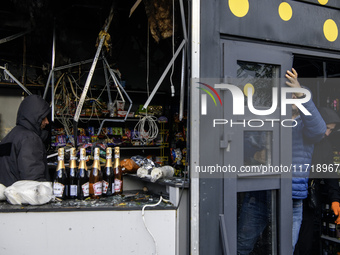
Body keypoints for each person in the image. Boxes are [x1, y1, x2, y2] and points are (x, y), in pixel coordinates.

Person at [237, 68, 326, 255]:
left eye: (298, 94)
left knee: (285, 249)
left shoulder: (306, 126)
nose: (294, 96)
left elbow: (319, 130)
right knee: (241, 246)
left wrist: (301, 92)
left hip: (291, 199)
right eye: (290, 93)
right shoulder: (271, 118)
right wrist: (254, 155)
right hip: (259, 194)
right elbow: (244, 144)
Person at [294, 107, 340, 255]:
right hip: (292, 195)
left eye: (331, 130)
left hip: (309, 199)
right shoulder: (299, 137)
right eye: (326, 128)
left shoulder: (325, 145)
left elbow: (329, 172)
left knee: (306, 241)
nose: (327, 133)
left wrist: (335, 199)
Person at [0, 94, 51, 187]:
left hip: (8, 196)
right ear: (35, 117)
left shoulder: (10, 137)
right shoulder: (30, 139)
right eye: (43, 117)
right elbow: (33, 180)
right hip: (24, 198)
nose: (46, 121)